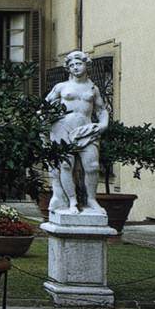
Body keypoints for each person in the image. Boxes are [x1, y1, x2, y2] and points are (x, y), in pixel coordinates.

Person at [45, 50, 109, 215]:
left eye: (78, 64)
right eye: (71, 65)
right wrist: (47, 121)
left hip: (86, 130)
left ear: (86, 65)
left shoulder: (93, 88)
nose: (75, 67)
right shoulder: (61, 87)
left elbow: (101, 110)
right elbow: (43, 108)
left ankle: (91, 199)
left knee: (92, 166)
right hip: (63, 128)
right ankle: (71, 201)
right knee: (66, 165)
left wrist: (103, 124)